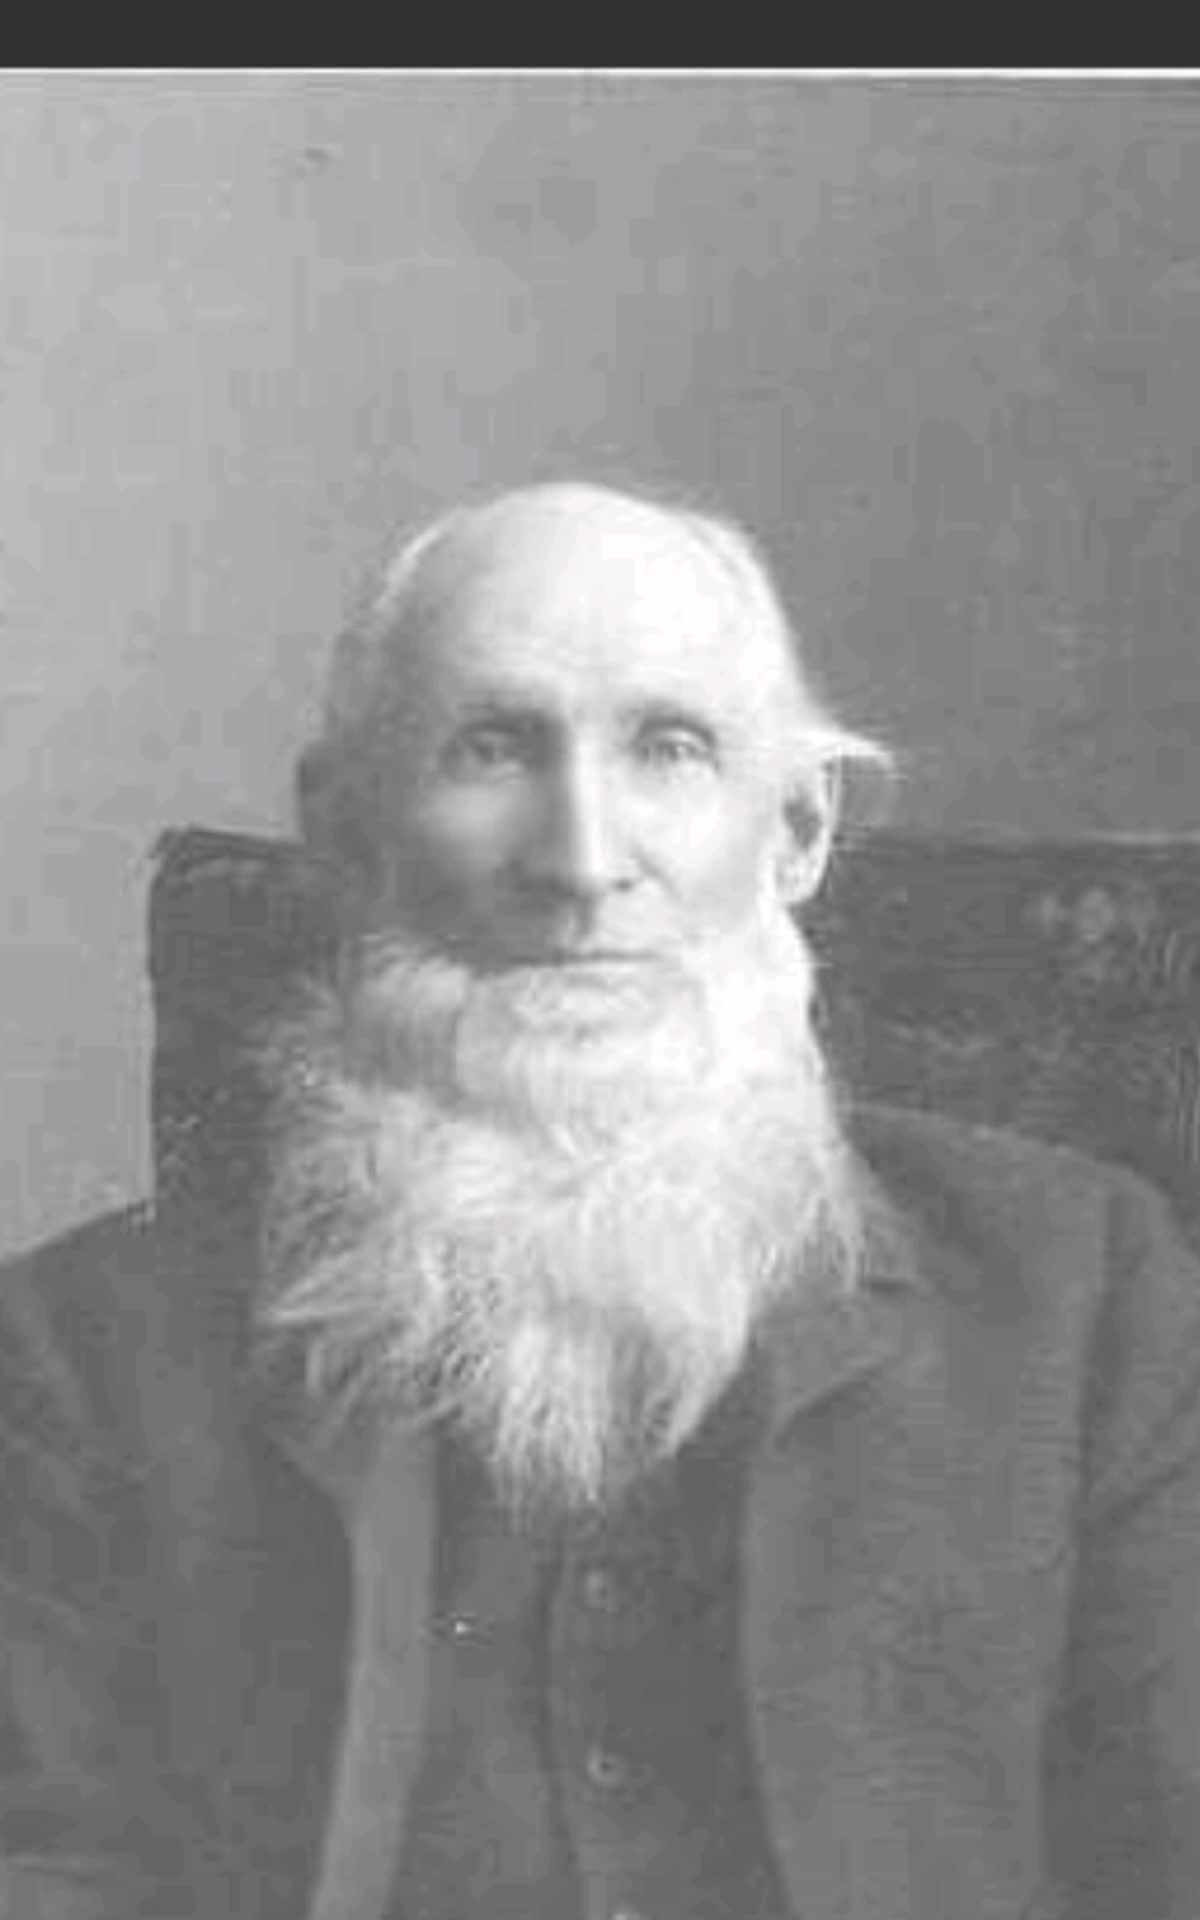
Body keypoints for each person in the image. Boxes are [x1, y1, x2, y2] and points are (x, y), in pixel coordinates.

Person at [3, 481, 1200, 1920]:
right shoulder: (83, 1351)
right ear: (346, 830)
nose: (581, 861)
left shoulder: (1079, 1288)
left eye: (670, 749)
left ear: (799, 831)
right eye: (494, 746)